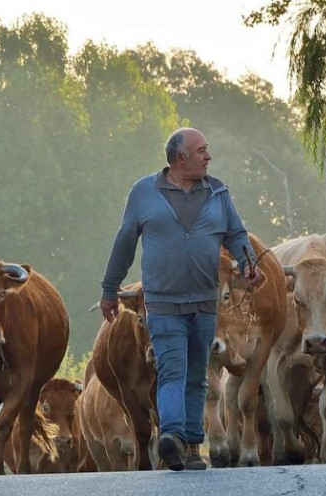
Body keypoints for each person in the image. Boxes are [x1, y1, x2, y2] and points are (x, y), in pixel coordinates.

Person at [99, 127, 262, 471]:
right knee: (173, 369)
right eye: (201, 150)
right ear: (180, 158)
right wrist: (110, 288)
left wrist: (248, 262)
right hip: (162, 303)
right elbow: (125, 241)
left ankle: (190, 448)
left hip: (205, 303)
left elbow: (235, 233)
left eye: (207, 149)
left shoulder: (218, 192)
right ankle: (172, 436)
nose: (209, 156)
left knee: (196, 375)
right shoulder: (144, 192)